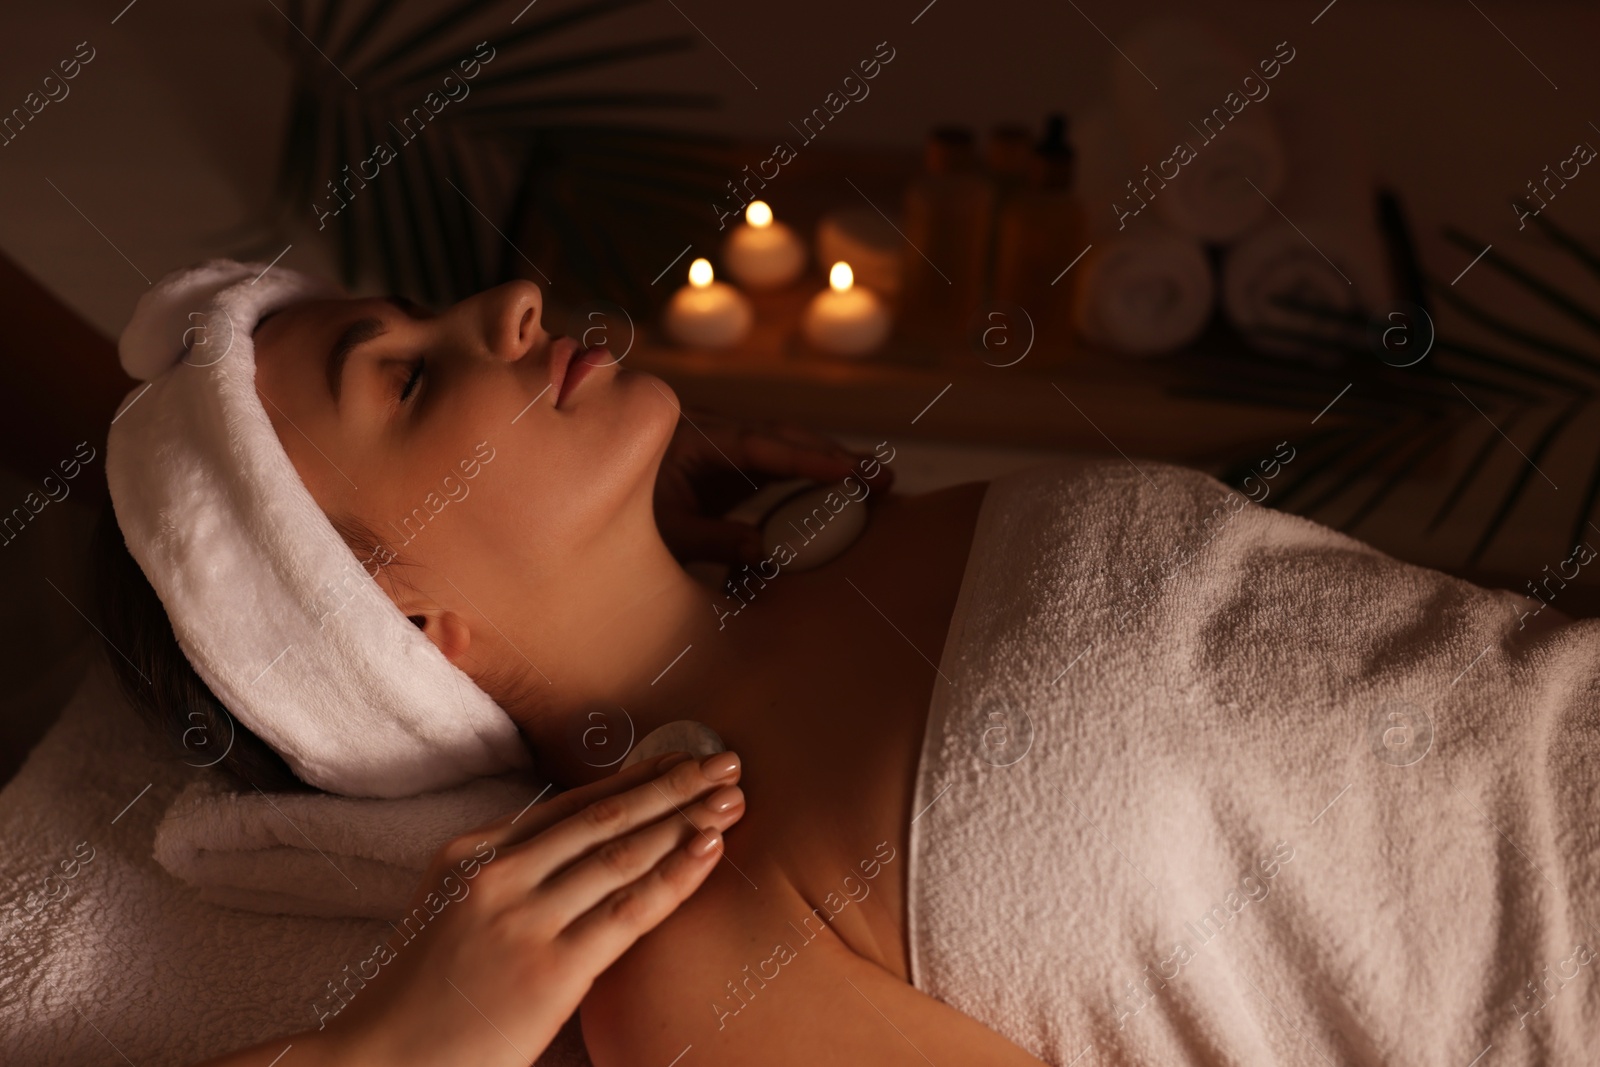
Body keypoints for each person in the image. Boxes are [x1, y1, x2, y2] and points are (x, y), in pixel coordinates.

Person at [97, 262, 1600, 1066]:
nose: (511, 304)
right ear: (393, 626)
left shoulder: (841, 524)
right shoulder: (687, 938)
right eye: (414, 376)